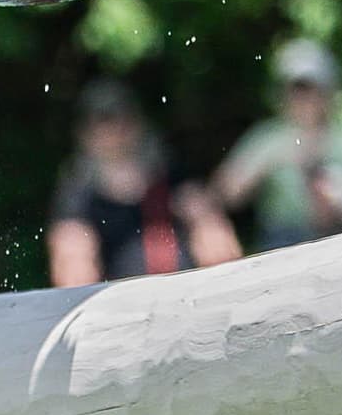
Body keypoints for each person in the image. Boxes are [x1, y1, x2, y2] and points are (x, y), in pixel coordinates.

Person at [48, 82, 240, 286]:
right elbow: (72, 269)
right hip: (118, 300)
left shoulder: (171, 174)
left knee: (211, 231)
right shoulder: (79, 194)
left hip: (186, 288)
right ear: (85, 132)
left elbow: (215, 236)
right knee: (72, 254)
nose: (116, 130)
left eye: (122, 119)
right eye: (105, 121)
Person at [208, 40, 342, 252]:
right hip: (281, 244)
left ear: (327, 91)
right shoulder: (268, 138)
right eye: (296, 89)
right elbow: (223, 194)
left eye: (310, 88)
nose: (303, 98)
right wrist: (262, 167)